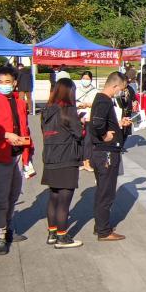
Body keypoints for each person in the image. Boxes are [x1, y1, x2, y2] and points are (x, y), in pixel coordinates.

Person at [0, 65, 32, 254]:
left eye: (7, 82)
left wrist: (29, 152)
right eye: (0, 82)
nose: (3, 85)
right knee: (2, 197)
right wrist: (5, 135)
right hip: (1, 154)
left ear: (15, 83)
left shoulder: (20, 103)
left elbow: (25, 127)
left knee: (14, 194)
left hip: (19, 153)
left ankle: (8, 228)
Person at [40, 78, 88, 248]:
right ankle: (62, 237)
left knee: (53, 197)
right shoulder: (68, 110)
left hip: (50, 157)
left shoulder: (47, 110)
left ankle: (52, 233)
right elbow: (78, 134)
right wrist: (82, 123)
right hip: (66, 157)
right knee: (64, 200)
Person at [87, 72, 131, 242]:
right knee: (106, 192)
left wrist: (117, 124)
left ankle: (100, 225)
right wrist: (104, 135)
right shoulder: (104, 101)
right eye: (122, 89)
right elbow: (97, 123)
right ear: (115, 86)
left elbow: (101, 122)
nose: (122, 92)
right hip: (106, 153)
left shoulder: (102, 100)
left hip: (104, 152)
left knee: (103, 190)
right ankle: (104, 231)